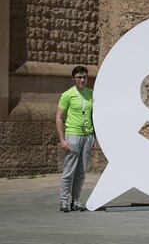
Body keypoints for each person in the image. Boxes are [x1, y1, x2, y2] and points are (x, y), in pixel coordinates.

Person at [56, 66, 96, 212]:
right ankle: (64, 201)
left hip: (88, 136)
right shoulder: (68, 95)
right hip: (72, 135)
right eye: (79, 77)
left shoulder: (91, 94)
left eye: (84, 77)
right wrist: (62, 139)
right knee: (69, 170)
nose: (82, 80)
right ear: (73, 79)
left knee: (81, 172)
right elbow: (59, 117)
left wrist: (94, 137)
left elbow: (95, 116)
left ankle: (76, 200)